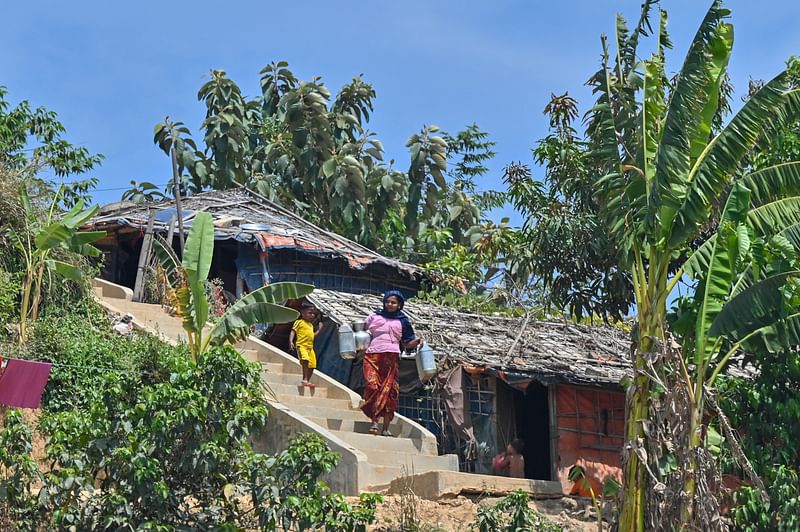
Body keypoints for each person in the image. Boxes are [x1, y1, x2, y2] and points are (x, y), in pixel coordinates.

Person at [361, 290, 421, 436]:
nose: (390, 304)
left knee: (389, 393)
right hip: (372, 356)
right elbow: (361, 333)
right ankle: (374, 420)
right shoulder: (374, 317)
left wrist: (418, 342)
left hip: (392, 358)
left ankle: (385, 428)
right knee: (372, 386)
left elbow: (407, 344)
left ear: (399, 305)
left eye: (393, 302)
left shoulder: (403, 321)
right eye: (387, 301)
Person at [289, 302, 324, 388]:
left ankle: (307, 380)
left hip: (310, 348)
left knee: (313, 364)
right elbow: (293, 331)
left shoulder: (311, 325)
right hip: (302, 345)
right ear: (303, 313)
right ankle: (304, 379)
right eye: (309, 313)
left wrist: (319, 331)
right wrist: (291, 341)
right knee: (305, 360)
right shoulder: (299, 322)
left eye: (313, 314)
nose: (312, 315)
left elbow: (312, 336)